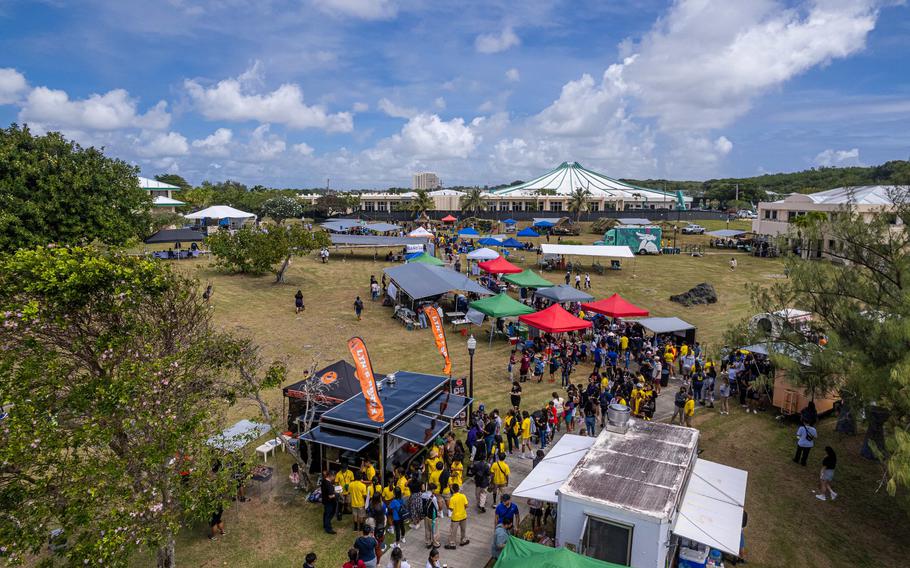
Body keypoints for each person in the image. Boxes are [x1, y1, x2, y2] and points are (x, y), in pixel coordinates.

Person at [445, 483, 469, 549]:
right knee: (463, 530)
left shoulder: (452, 498)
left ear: (452, 490)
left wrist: (449, 506)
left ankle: (452, 544)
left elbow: (451, 509)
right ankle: (463, 540)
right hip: (463, 516)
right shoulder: (463, 496)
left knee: (453, 531)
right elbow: (466, 505)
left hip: (455, 518)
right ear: (458, 489)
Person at [421, 483, 440, 549]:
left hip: (426, 515)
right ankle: (435, 543)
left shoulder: (423, 495)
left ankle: (428, 543)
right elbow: (437, 508)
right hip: (433, 516)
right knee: (434, 530)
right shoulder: (433, 497)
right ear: (432, 489)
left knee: (427, 530)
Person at [321, 469, 338, 534]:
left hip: (325, 500)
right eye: (334, 476)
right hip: (329, 502)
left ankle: (325, 525)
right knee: (329, 514)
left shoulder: (324, 481)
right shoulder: (329, 485)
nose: (335, 478)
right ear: (331, 476)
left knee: (326, 513)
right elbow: (331, 496)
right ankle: (328, 529)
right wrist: (337, 494)